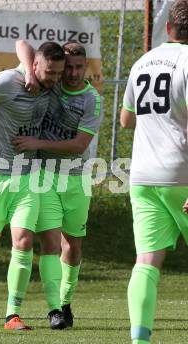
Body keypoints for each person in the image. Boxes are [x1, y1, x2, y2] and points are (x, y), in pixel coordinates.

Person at [0, 42, 65, 330]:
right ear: (35, 66)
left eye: (58, 73)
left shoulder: (49, 85)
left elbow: (25, 45)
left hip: (27, 175)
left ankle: (12, 314)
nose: (55, 79)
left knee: (24, 241)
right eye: (50, 73)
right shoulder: (7, 81)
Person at [12, 40, 103, 329]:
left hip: (76, 177)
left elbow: (79, 145)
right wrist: (29, 71)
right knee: (51, 242)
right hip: (44, 174)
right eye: (69, 68)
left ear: (85, 66)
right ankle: (55, 311)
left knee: (72, 245)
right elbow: (22, 44)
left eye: (79, 67)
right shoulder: (50, 81)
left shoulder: (92, 99)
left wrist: (37, 142)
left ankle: (66, 301)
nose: (73, 73)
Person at [120, 1, 188, 342]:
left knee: (146, 261)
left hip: (144, 174)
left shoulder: (141, 62)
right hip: (182, 174)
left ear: (168, 28)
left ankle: (139, 339)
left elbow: (125, 120)